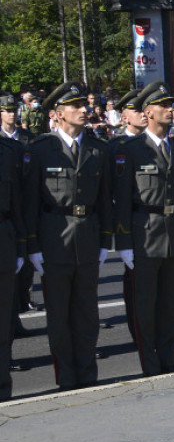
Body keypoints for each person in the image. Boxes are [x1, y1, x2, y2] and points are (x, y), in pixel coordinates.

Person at [23, 82, 113, 390]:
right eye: (76, 106)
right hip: (54, 239)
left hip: (87, 236)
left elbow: (105, 200)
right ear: (58, 114)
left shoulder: (98, 149)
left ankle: (88, 375)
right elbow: (30, 203)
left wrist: (105, 240)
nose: (84, 110)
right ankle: (65, 378)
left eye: (84, 105)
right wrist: (33, 246)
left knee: (87, 313)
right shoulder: (40, 150)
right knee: (59, 316)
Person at [112, 82, 174, 375]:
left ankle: (168, 360)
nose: (171, 110)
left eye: (171, 105)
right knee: (145, 306)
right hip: (143, 234)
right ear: (148, 112)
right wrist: (123, 242)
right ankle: (150, 364)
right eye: (164, 106)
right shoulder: (132, 150)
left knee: (171, 304)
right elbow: (122, 200)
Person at [0, 124, 26, 400]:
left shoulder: (8, 152)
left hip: (4, 240)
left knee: (3, 323)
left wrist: (21, 245)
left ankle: (2, 389)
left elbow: (17, 202)